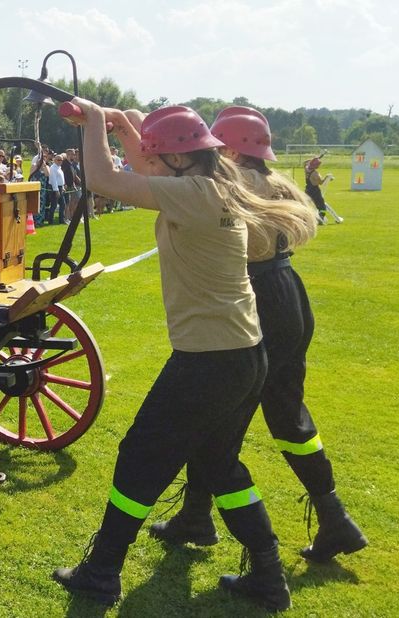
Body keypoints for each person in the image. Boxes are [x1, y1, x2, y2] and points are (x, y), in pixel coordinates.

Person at [50, 102, 318, 612]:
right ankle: (268, 575)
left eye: (159, 155)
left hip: (209, 360)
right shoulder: (217, 183)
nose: (151, 163)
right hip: (244, 353)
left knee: (139, 454)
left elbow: (105, 179)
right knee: (219, 464)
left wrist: (89, 120)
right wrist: (125, 126)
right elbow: (148, 165)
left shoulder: (194, 194)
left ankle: (102, 570)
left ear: (178, 161)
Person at [147, 106, 366, 564]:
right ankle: (333, 515)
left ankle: (206, 518)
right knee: (287, 414)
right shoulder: (279, 182)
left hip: (256, 297)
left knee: (216, 415)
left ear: (225, 146)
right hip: (289, 292)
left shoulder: (229, 183)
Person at [303, 156, 343, 224]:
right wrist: (328, 177)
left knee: (309, 204)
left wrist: (314, 159)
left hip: (307, 190)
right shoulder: (316, 173)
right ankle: (321, 218)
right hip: (315, 191)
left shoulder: (306, 169)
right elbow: (321, 183)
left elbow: (305, 163)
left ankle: (308, 217)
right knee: (322, 206)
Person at [46, 153, 67, 224]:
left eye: (61, 160)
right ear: (54, 160)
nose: (60, 161)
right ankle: (50, 220)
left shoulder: (59, 168)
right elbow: (53, 180)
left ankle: (62, 220)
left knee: (63, 204)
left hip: (60, 187)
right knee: (54, 205)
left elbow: (61, 179)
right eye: (58, 160)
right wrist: (56, 190)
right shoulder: (53, 168)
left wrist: (63, 187)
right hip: (55, 188)